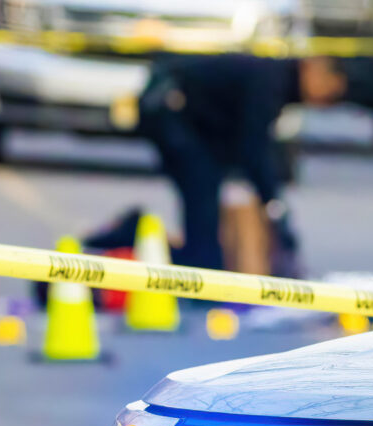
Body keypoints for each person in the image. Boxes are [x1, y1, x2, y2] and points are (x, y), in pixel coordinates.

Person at [137, 53, 342, 272]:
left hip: (182, 115)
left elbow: (243, 140)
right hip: (169, 107)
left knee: (204, 196)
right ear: (313, 68)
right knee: (202, 195)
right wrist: (271, 199)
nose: (324, 101)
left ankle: (197, 268)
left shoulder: (274, 79)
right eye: (329, 92)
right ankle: (200, 279)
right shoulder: (271, 81)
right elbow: (253, 146)